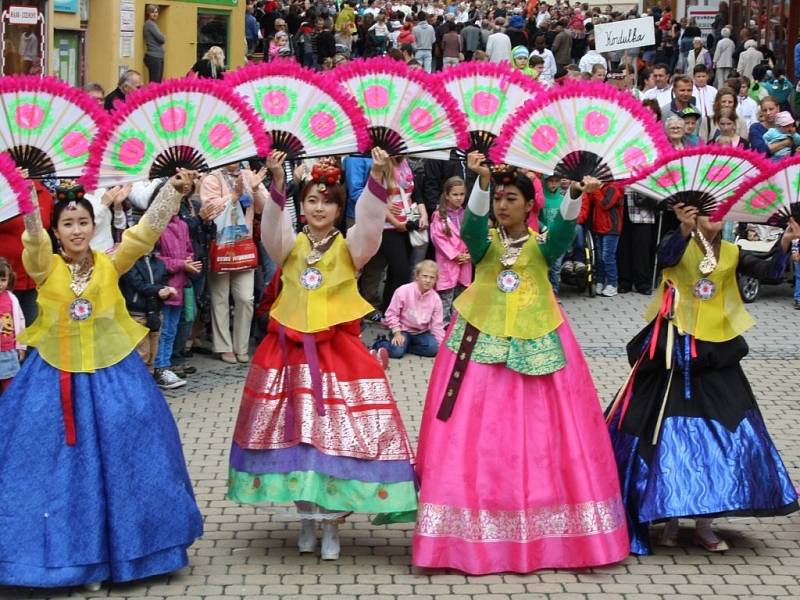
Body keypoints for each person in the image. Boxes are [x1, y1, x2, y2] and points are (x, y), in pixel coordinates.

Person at [413, 153, 629, 574]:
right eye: (499, 198)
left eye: (512, 198)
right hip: (481, 346)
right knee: (478, 435)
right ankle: (469, 532)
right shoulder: (484, 244)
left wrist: (572, 194)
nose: (503, 205)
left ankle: (552, 532)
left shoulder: (542, 247)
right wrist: (479, 181)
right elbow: (472, 225)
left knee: (545, 435)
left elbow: (565, 231)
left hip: (539, 344)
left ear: (531, 205)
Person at [0, 173, 203, 588]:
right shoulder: (45, 267)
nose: (77, 231)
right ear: (57, 231)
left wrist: (174, 191)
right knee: (55, 470)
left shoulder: (111, 263)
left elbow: (144, 234)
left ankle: (130, 554)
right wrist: (27, 199)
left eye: (83, 223)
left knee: (132, 459)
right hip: (53, 378)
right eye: (68, 224)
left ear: (95, 226)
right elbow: (33, 245)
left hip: (115, 377)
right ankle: (72, 562)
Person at [227, 149, 418, 561]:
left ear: (338, 206)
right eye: (311, 200)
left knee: (333, 439)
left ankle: (332, 524)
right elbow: (272, 232)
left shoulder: (351, 248)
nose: (318, 208)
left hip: (337, 357)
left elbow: (370, 222)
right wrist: (278, 184)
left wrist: (379, 179)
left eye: (327, 201)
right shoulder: (290, 246)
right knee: (299, 439)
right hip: (288, 357)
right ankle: (307, 519)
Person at [605, 203, 800, 555]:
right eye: (710, 211)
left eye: (723, 211)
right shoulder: (680, 245)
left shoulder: (731, 251)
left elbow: (769, 271)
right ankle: (670, 516)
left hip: (716, 353)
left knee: (725, 429)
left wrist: (785, 242)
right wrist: (681, 229)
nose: (717, 216)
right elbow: (663, 256)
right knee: (661, 430)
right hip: (673, 353)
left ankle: (705, 525)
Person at [373, 260, 445, 359]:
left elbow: (437, 325)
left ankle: (406, 347)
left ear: (436, 280)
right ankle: (380, 343)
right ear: (417, 276)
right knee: (397, 352)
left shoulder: (436, 299)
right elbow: (391, 314)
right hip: (402, 330)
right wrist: (397, 333)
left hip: (421, 333)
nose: (428, 280)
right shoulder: (403, 291)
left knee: (433, 349)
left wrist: (442, 348)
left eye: (432, 278)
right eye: (424, 276)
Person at [119, 249, 174, 376]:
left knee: (152, 354)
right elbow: (139, 285)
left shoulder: (159, 263)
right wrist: (160, 289)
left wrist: (166, 293)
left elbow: (164, 283)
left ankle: (148, 383)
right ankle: (138, 384)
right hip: (137, 313)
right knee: (141, 353)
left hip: (155, 311)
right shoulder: (130, 262)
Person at [581, 182, 623, 297]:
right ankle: (600, 281)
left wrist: (595, 190)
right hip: (599, 227)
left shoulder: (614, 187)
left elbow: (605, 204)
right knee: (599, 257)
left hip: (611, 228)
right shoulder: (600, 188)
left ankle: (612, 284)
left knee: (608, 257)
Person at [0, 257, 24, 392]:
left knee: (11, 386)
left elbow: (20, 320)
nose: (0, 284)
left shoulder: (11, 298)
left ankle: (10, 410)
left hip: (8, 352)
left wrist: (21, 345)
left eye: (3, 280)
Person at [143, 4, 166, 83]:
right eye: (152, 12)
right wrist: (163, 36)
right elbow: (162, 39)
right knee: (155, 82)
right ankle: (151, 96)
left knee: (157, 82)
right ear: (148, 13)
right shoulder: (150, 24)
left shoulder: (153, 24)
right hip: (154, 57)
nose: (155, 14)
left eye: (156, 12)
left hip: (157, 56)